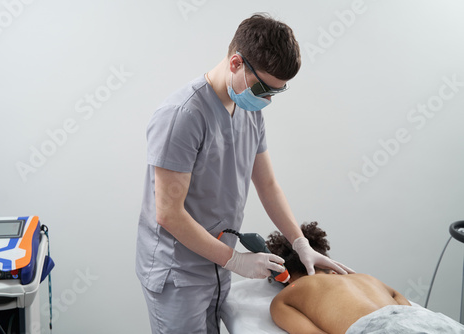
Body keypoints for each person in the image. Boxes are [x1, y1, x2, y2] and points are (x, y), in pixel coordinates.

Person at [136, 13, 353, 334]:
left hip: (216, 261)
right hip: (178, 271)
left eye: (276, 92)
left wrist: (300, 241)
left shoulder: (248, 111)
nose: (267, 100)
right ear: (236, 62)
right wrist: (234, 260)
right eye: (264, 88)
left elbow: (267, 184)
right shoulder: (182, 116)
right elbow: (168, 214)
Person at [267, 222, 464, 334]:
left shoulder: (287, 296)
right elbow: (407, 311)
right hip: (435, 323)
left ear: (282, 275)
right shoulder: (365, 278)